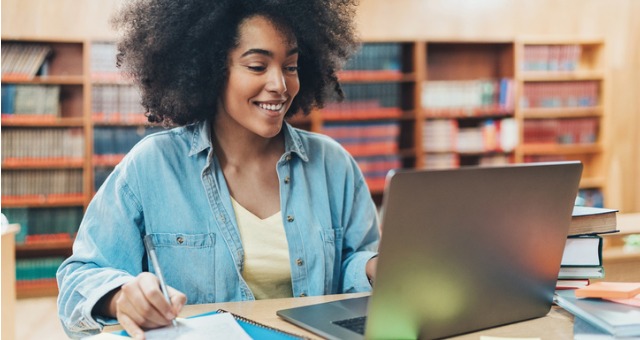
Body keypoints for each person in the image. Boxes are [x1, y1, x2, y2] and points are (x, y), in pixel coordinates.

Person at [56, 0, 380, 338]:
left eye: (291, 66)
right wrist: (121, 296)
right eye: (257, 66)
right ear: (210, 68)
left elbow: (352, 263)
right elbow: (79, 278)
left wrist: (373, 268)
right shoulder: (152, 165)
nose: (280, 86)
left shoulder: (333, 165)